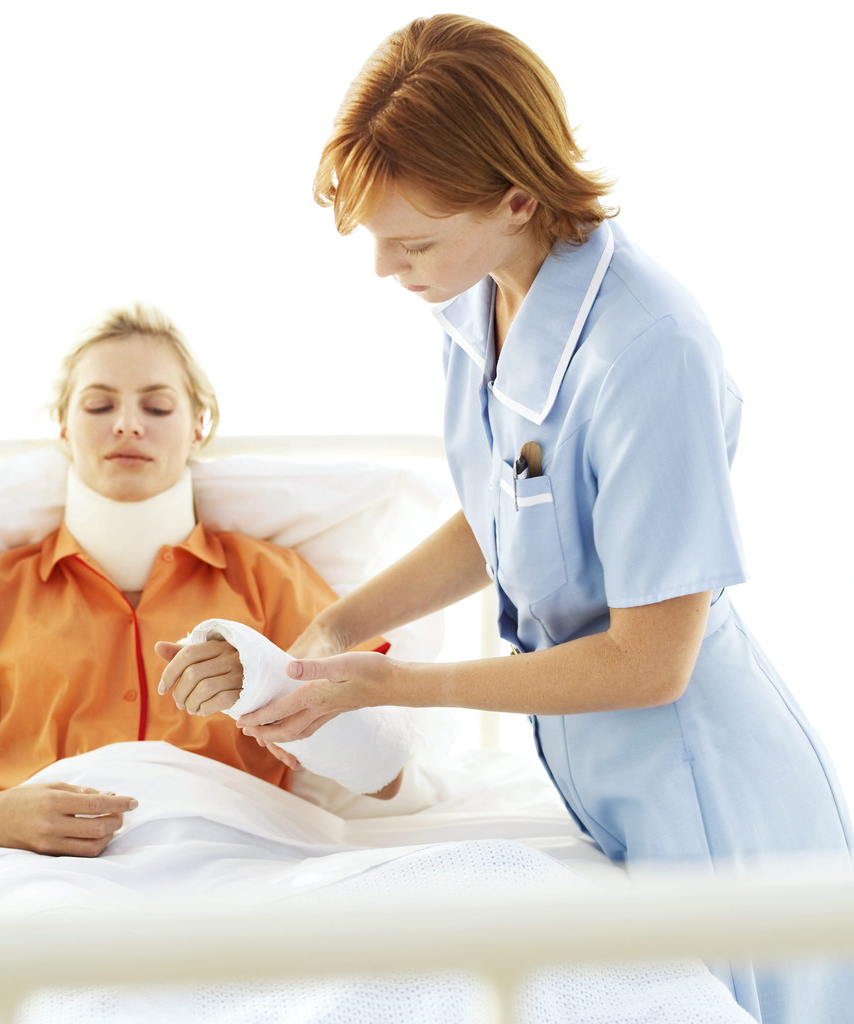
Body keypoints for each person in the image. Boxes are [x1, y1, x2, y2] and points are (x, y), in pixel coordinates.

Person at [164, 15, 852, 1024]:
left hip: (699, 782)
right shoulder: (478, 293)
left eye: (413, 241)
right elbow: (507, 510)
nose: (385, 269)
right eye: (374, 238)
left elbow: (649, 661)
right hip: (598, 772)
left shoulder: (647, 349)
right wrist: (339, 629)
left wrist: (392, 683)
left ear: (517, 196)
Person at [0, 303, 396, 861]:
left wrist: (267, 681)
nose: (127, 424)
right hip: (36, 873)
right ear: (64, 428)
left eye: (158, 405)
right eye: (99, 404)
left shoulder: (273, 580)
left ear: (199, 427)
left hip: (234, 860)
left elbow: (385, 778)